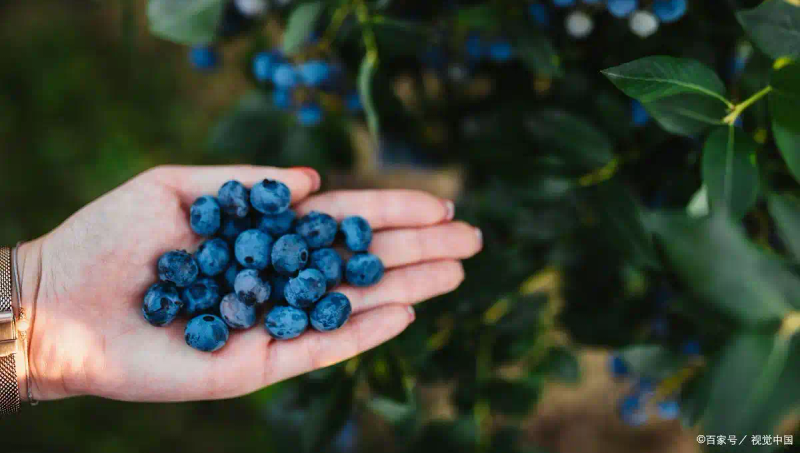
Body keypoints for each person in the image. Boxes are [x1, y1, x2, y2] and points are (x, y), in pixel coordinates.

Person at [10, 165, 482, 403]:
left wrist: (33, 297)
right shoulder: (231, 274)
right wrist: (34, 294)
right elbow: (242, 276)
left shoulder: (277, 263)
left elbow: (262, 272)